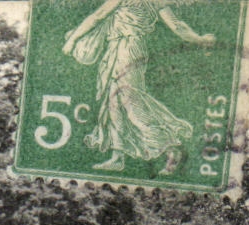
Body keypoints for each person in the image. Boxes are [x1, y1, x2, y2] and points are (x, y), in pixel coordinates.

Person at [63, 0, 215, 175]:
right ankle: (117, 156)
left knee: (130, 102)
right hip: (123, 48)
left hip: (127, 50)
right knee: (113, 101)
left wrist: (73, 39)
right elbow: (177, 27)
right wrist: (200, 39)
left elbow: (97, 16)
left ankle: (170, 148)